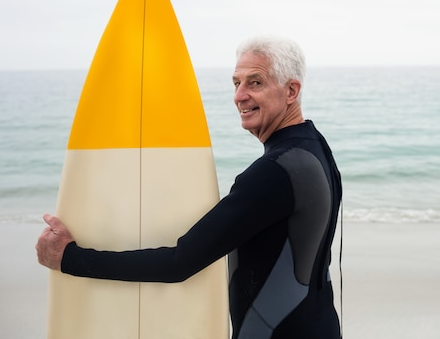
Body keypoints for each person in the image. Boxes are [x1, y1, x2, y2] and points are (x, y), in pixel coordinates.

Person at [37, 35, 343, 339]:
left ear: (291, 91)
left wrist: (69, 257)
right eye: (236, 83)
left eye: (255, 82)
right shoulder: (316, 150)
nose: (239, 95)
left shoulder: (274, 172)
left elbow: (180, 263)